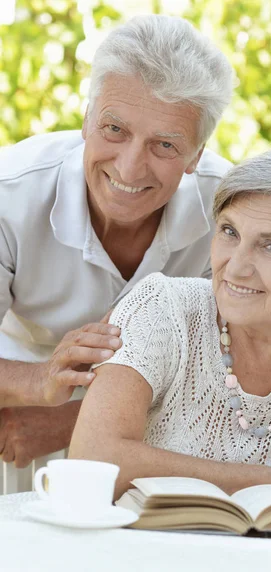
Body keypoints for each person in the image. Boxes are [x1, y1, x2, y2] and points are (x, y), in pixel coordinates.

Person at [70, 147, 271, 514]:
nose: (235, 267)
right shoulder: (164, 308)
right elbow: (93, 457)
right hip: (155, 562)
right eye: (229, 231)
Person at [0, 14, 234, 478]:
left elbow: (235, 372)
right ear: (87, 121)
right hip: (15, 411)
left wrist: (73, 423)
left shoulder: (230, 214)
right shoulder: (9, 193)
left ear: (196, 156)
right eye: (114, 129)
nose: (129, 169)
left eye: (165, 145)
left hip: (161, 436)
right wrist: (38, 380)